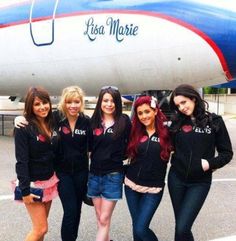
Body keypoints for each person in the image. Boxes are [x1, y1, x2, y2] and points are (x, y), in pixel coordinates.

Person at [15, 85, 92, 241]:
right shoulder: (56, 118)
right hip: (58, 175)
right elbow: (22, 159)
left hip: (74, 174)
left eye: (77, 101)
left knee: (76, 211)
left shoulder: (85, 121)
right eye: (69, 102)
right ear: (64, 102)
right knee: (57, 218)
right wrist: (20, 117)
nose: (73, 105)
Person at [168, 84, 233, 241]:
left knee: (183, 227)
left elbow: (227, 153)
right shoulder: (176, 122)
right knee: (180, 227)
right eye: (178, 105)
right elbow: (168, 147)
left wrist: (210, 164)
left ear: (193, 98)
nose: (181, 108)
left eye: (184, 102)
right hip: (176, 179)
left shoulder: (214, 121)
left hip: (200, 182)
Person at [124, 96, 172, 241]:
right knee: (136, 226)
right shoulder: (134, 132)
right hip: (131, 186)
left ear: (155, 111)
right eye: (140, 113)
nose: (144, 116)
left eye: (147, 111)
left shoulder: (168, 133)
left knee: (141, 228)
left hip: (153, 189)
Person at [14, 87, 59, 241]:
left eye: (45, 102)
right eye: (37, 104)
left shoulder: (52, 121)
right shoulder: (24, 127)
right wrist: (25, 191)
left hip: (49, 181)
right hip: (32, 184)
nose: (42, 107)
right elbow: (22, 161)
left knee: (41, 229)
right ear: (30, 107)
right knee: (40, 228)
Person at [87, 86, 131, 241]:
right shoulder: (92, 122)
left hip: (113, 176)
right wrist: (22, 118)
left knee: (104, 219)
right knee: (100, 218)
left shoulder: (124, 121)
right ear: (100, 102)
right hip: (93, 176)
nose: (109, 104)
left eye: (113, 101)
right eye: (105, 100)